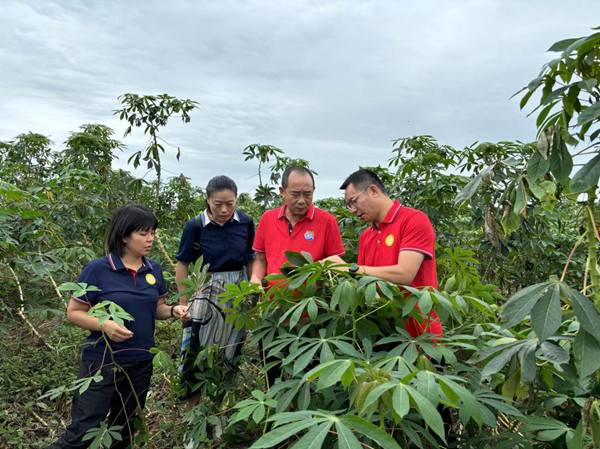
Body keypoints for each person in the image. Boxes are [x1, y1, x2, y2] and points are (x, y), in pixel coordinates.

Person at [48, 204, 189, 449]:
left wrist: (174, 311)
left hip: (141, 362)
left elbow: (157, 308)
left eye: (153, 233)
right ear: (125, 236)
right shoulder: (97, 269)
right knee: (82, 433)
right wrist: (105, 325)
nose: (150, 239)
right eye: (143, 233)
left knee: (124, 430)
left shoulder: (153, 269)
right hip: (102, 361)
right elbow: (74, 313)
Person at [250, 166, 345, 385]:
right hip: (273, 313)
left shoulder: (326, 221)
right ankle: (276, 417)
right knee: (273, 375)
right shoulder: (267, 219)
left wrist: (311, 269)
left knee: (309, 378)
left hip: (313, 315)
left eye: (308, 194)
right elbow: (261, 259)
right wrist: (256, 279)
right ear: (282, 191)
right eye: (295, 194)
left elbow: (338, 261)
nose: (302, 200)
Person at [175, 175, 256, 417]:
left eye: (229, 203)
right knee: (196, 352)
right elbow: (183, 264)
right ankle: (193, 416)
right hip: (204, 288)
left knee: (230, 351)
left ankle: (217, 414)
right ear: (208, 199)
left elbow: (251, 259)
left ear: (236, 200)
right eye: (218, 203)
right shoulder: (195, 226)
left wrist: (252, 293)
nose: (224, 209)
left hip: (237, 290)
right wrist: (183, 303)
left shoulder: (246, 222)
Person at [329, 169, 443, 338]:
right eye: (349, 205)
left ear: (373, 191)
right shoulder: (366, 236)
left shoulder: (414, 220)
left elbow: (405, 274)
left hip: (420, 333)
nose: (352, 210)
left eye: (354, 201)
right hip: (382, 334)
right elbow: (364, 283)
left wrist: (349, 268)